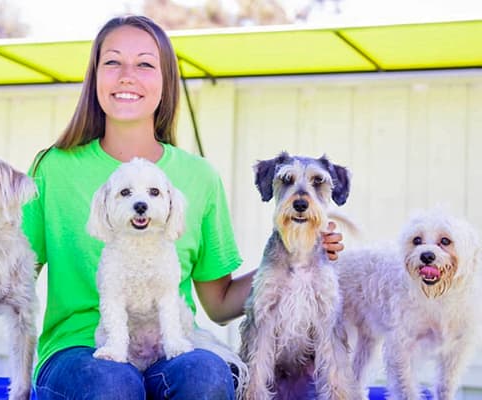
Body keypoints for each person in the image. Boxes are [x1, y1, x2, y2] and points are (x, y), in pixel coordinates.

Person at [22, 15, 345, 400]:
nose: (127, 75)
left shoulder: (199, 177)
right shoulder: (52, 169)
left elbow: (219, 303)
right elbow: (15, 273)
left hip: (170, 341)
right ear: (94, 76)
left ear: (166, 81)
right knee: (113, 382)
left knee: (207, 375)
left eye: (144, 63)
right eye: (112, 62)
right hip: (77, 351)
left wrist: (296, 259)